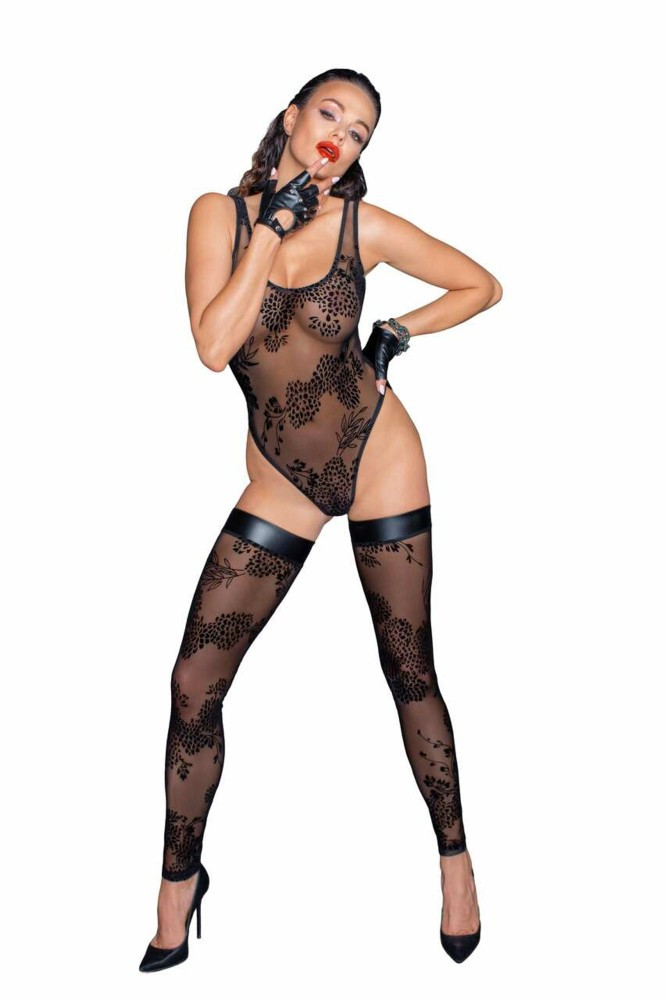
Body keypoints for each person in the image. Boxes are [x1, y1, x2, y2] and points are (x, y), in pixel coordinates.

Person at [140, 67, 502, 973]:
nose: (343, 134)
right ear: (293, 118)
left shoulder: (359, 226)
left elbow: (481, 286)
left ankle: (456, 864)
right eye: (331, 113)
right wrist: (269, 228)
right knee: (194, 683)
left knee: (409, 668)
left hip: (377, 451)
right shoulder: (218, 217)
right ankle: (179, 885)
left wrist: (397, 333)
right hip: (283, 478)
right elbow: (213, 345)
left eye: (362, 130)